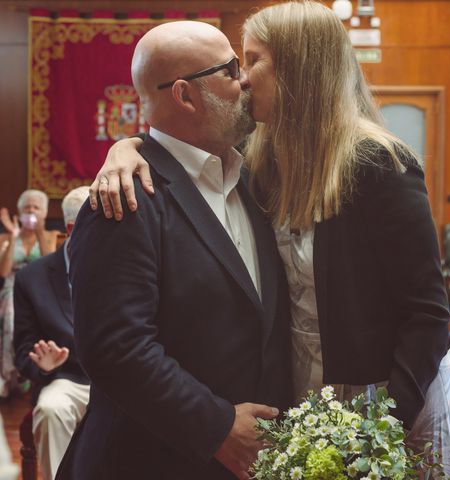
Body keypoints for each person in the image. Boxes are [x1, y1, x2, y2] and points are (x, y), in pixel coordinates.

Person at [89, 2, 450, 478]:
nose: (243, 79)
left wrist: (382, 426)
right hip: (299, 396)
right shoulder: (257, 157)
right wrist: (125, 148)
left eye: (251, 61)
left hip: (384, 398)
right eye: (235, 66)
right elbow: (178, 144)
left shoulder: (379, 164)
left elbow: (427, 312)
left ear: (297, 68)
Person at [57, 21, 292, 480]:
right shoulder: (124, 197)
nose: (244, 80)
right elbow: (116, 348)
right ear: (185, 95)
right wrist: (219, 427)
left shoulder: (250, 177)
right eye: (229, 69)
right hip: (151, 461)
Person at [12, 187, 91, 480]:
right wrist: (40, 366)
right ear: (73, 228)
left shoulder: (126, 265)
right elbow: (22, 350)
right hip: (66, 379)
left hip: (122, 379)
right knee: (50, 409)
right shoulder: (31, 278)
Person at [0, 190, 57, 398]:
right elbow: (4, 272)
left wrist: (40, 231)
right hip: (11, 288)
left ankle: (26, 371)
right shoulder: (6, 237)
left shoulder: (50, 236)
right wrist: (14, 236)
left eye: (36, 208)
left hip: (39, 288)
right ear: (20, 212)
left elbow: (50, 264)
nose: (31, 211)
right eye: (27, 208)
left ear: (43, 213)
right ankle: (9, 373)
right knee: (11, 314)